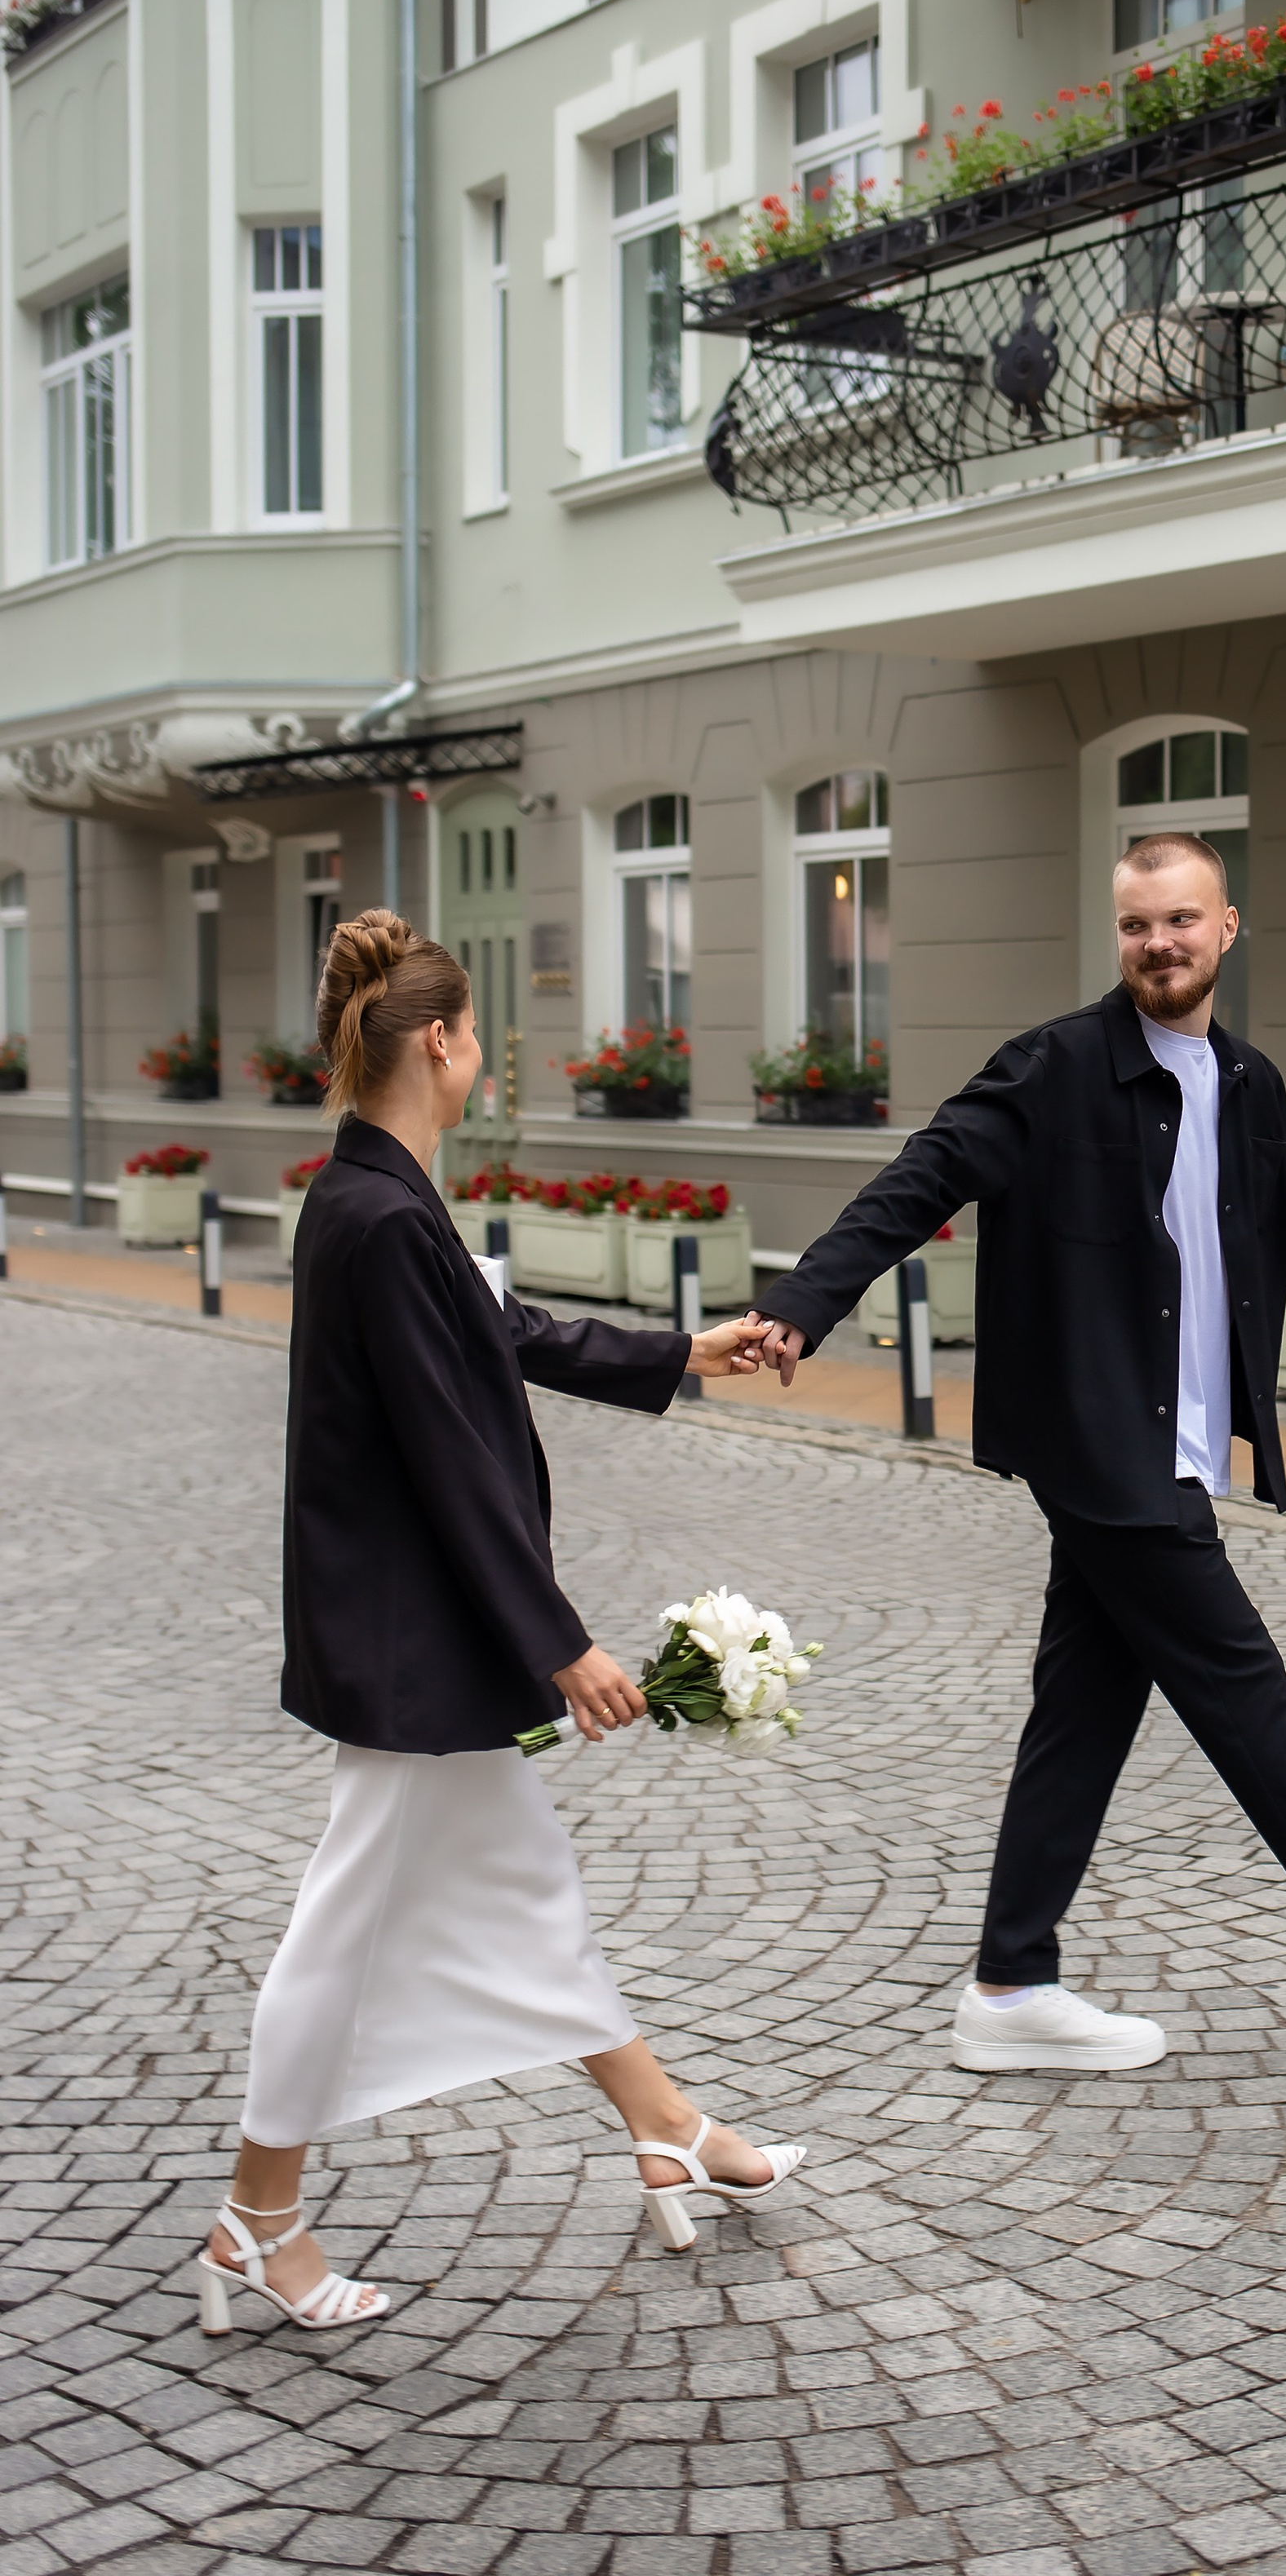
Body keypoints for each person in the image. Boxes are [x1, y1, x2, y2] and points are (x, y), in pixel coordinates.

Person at [750, 834, 1286, 2072]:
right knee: (1245, 1693)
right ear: (1117, 933)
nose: (1159, 944)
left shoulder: (1249, 1083)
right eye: (1137, 925)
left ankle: (1012, 1987)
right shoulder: (1053, 1068)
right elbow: (921, 1181)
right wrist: (807, 1302)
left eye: (1181, 921)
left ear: (1226, 929)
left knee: (1082, 1712)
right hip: (1099, 1443)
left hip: (1174, 1449)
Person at [197, 909, 802, 2340]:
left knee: (527, 1898)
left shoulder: (378, 1195)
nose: (485, 1058)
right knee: (337, 1936)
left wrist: (681, 1350)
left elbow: (507, 1334)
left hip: (418, 1645)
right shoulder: (381, 1213)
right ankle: (253, 2222)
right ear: (446, 1040)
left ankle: (667, 2128)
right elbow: (447, 1454)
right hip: (413, 1651)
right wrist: (561, 1642)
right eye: (481, 1039)